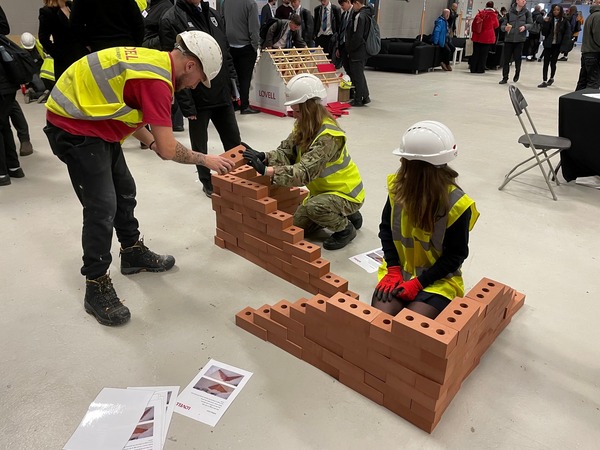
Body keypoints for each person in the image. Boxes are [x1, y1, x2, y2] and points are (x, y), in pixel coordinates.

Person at [43, 31, 235, 326]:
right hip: (74, 127)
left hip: (97, 119)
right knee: (102, 207)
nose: (195, 86)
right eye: (199, 79)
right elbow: (169, 150)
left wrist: (152, 141)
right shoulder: (157, 82)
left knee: (125, 190)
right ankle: (96, 284)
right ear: (190, 65)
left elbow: (124, 107)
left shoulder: (154, 63)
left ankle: (132, 252)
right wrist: (204, 159)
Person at [242, 74, 364, 250]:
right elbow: (286, 152)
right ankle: (344, 213)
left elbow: (304, 173)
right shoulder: (304, 126)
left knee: (315, 208)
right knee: (299, 226)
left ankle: (345, 229)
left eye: (297, 111)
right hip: (323, 192)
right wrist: (264, 157)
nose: (294, 116)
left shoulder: (328, 137)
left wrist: (267, 171)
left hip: (346, 192)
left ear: (309, 108)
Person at [371, 121, 479, 319]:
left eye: (405, 159)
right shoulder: (397, 188)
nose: (401, 162)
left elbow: (455, 255)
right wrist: (393, 269)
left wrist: (419, 283)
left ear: (415, 166)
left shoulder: (457, 204)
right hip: (400, 271)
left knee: (410, 327)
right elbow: (386, 230)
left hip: (437, 281)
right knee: (380, 321)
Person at [160, 0, 242, 198]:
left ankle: (240, 176)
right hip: (197, 98)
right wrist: (187, 106)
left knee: (234, 140)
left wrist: (233, 85)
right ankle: (207, 181)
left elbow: (225, 53)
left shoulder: (213, 14)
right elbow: (174, 68)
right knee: (200, 145)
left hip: (221, 92)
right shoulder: (171, 19)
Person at [221, 0, 261, 115]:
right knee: (245, 79)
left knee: (233, 77)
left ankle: (234, 103)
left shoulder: (226, 2)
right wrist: (255, 46)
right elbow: (254, 27)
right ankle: (245, 105)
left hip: (230, 46)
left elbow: (223, 22)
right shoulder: (251, 4)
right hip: (246, 46)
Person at [0, 5, 25, 187]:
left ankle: (2, 173)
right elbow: (5, 27)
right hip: (8, 81)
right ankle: (14, 167)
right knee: (4, 124)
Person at [38, 0, 89, 80]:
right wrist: (58, 55)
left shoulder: (71, 6)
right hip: (64, 61)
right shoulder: (47, 11)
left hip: (82, 56)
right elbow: (43, 38)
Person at [71, 0, 145, 52]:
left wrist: (86, 45)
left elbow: (75, 24)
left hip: (97, 48)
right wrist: (136, 45)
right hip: (126, 46)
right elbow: (138, 23)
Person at [538, 5, 571, 88]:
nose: (556, 11)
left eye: (558, 10)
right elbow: (544, 33)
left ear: (560, 11)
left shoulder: (564, 20)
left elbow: (567, 34)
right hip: (548, 44)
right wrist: (545, 23)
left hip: (557, 45)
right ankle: (544, 80)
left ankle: (551, 78)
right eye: (554, 10)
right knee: (545, 62)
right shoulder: (549, 19)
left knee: (553, 62)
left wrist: (564, 47)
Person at [498, 0, 531, 84]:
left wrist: (525, 27)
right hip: (509, 39)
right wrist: (505, 28)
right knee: (506, 59)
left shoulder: (527, 13)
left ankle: (517, 73)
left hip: (520, 40)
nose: (523, 1)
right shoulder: (509, 13)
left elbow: (530, 24)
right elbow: (502, 26)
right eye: (522, 0)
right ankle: (505, 77)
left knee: (517, 58)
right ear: (517, 1)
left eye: (525, 0)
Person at [346, 0, 372, 106]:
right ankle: (365, 97)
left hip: (357, 50)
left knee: (357, 76)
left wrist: (350, 48)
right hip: (364, 49)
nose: (353, 7)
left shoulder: (359, 16)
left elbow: (357, 36)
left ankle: (358, 99)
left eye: (353, 4)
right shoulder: (368, 14)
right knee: (360, 74)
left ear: (357, 3)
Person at [575, 0, 600, 90]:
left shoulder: (592, 15)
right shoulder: (598, 16)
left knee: (583, 82)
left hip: (587, 53)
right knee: (593, 83)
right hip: (595, 54)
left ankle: (577, 99)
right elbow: (598, 36)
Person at [469, 1, 499, 74]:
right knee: (483, 54)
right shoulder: (493, 15)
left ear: (486, 5)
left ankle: (473, 68)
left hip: (477, 36)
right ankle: (480, 69)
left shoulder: (480, 13)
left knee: (475, 53)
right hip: (487, 37)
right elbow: (496, 25)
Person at [334, 0, 353, 74]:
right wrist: (338, 47)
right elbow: (340, 31)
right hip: (343, 44)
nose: (342, 7)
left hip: (350, 44)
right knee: (346, 65)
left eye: (343, 5)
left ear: (348, 2)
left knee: (352, 67)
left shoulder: (354, 13)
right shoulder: (344, 14)